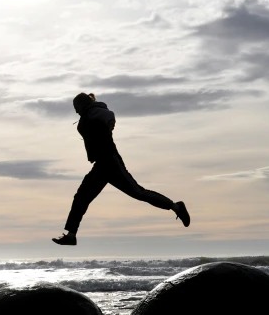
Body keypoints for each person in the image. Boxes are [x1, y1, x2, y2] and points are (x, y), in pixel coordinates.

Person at [53, 93, 190, 246]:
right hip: (100, 165)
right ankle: (71, 236)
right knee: (81, 198)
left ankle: (176, 206)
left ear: (83, 104)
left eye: (76, 107)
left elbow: (109, 115)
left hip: (111, 162)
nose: (76, 111)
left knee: (138, 192)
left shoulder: (95, 111)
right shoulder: (88, 114)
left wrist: (108, 127)